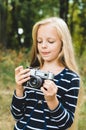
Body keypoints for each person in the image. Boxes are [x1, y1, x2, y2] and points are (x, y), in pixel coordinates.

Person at [10, 17, 80, 130]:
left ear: (63, 43)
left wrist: (52, 100)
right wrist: (19, 89)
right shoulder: (31, 73)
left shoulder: (71, 78)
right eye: (39, 41)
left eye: (50, 41)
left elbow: (66, 124)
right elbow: (16, 115)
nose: (43, 46)